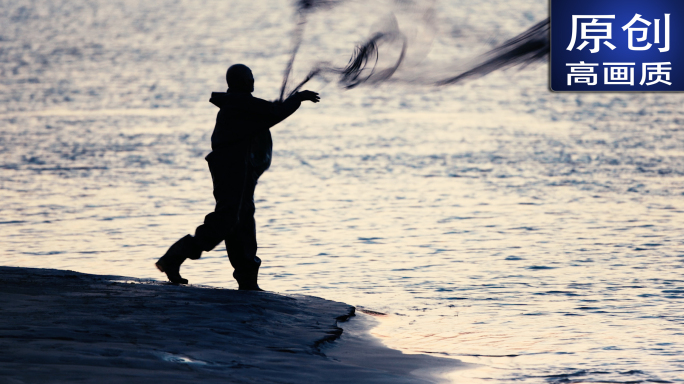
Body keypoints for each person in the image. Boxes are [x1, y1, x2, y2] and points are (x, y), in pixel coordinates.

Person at [155, 64, 320, 290]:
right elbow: (273, 112)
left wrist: (292, 100)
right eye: (250, 77)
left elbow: (268, 110)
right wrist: (298, 99)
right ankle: (174, 258)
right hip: (234, 170)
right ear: (241, 81)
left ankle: (247, 280)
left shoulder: (238, 104)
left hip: (234, 170)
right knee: (227, 219)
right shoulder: (240, 105)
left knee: (241, 220)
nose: (253, 80)